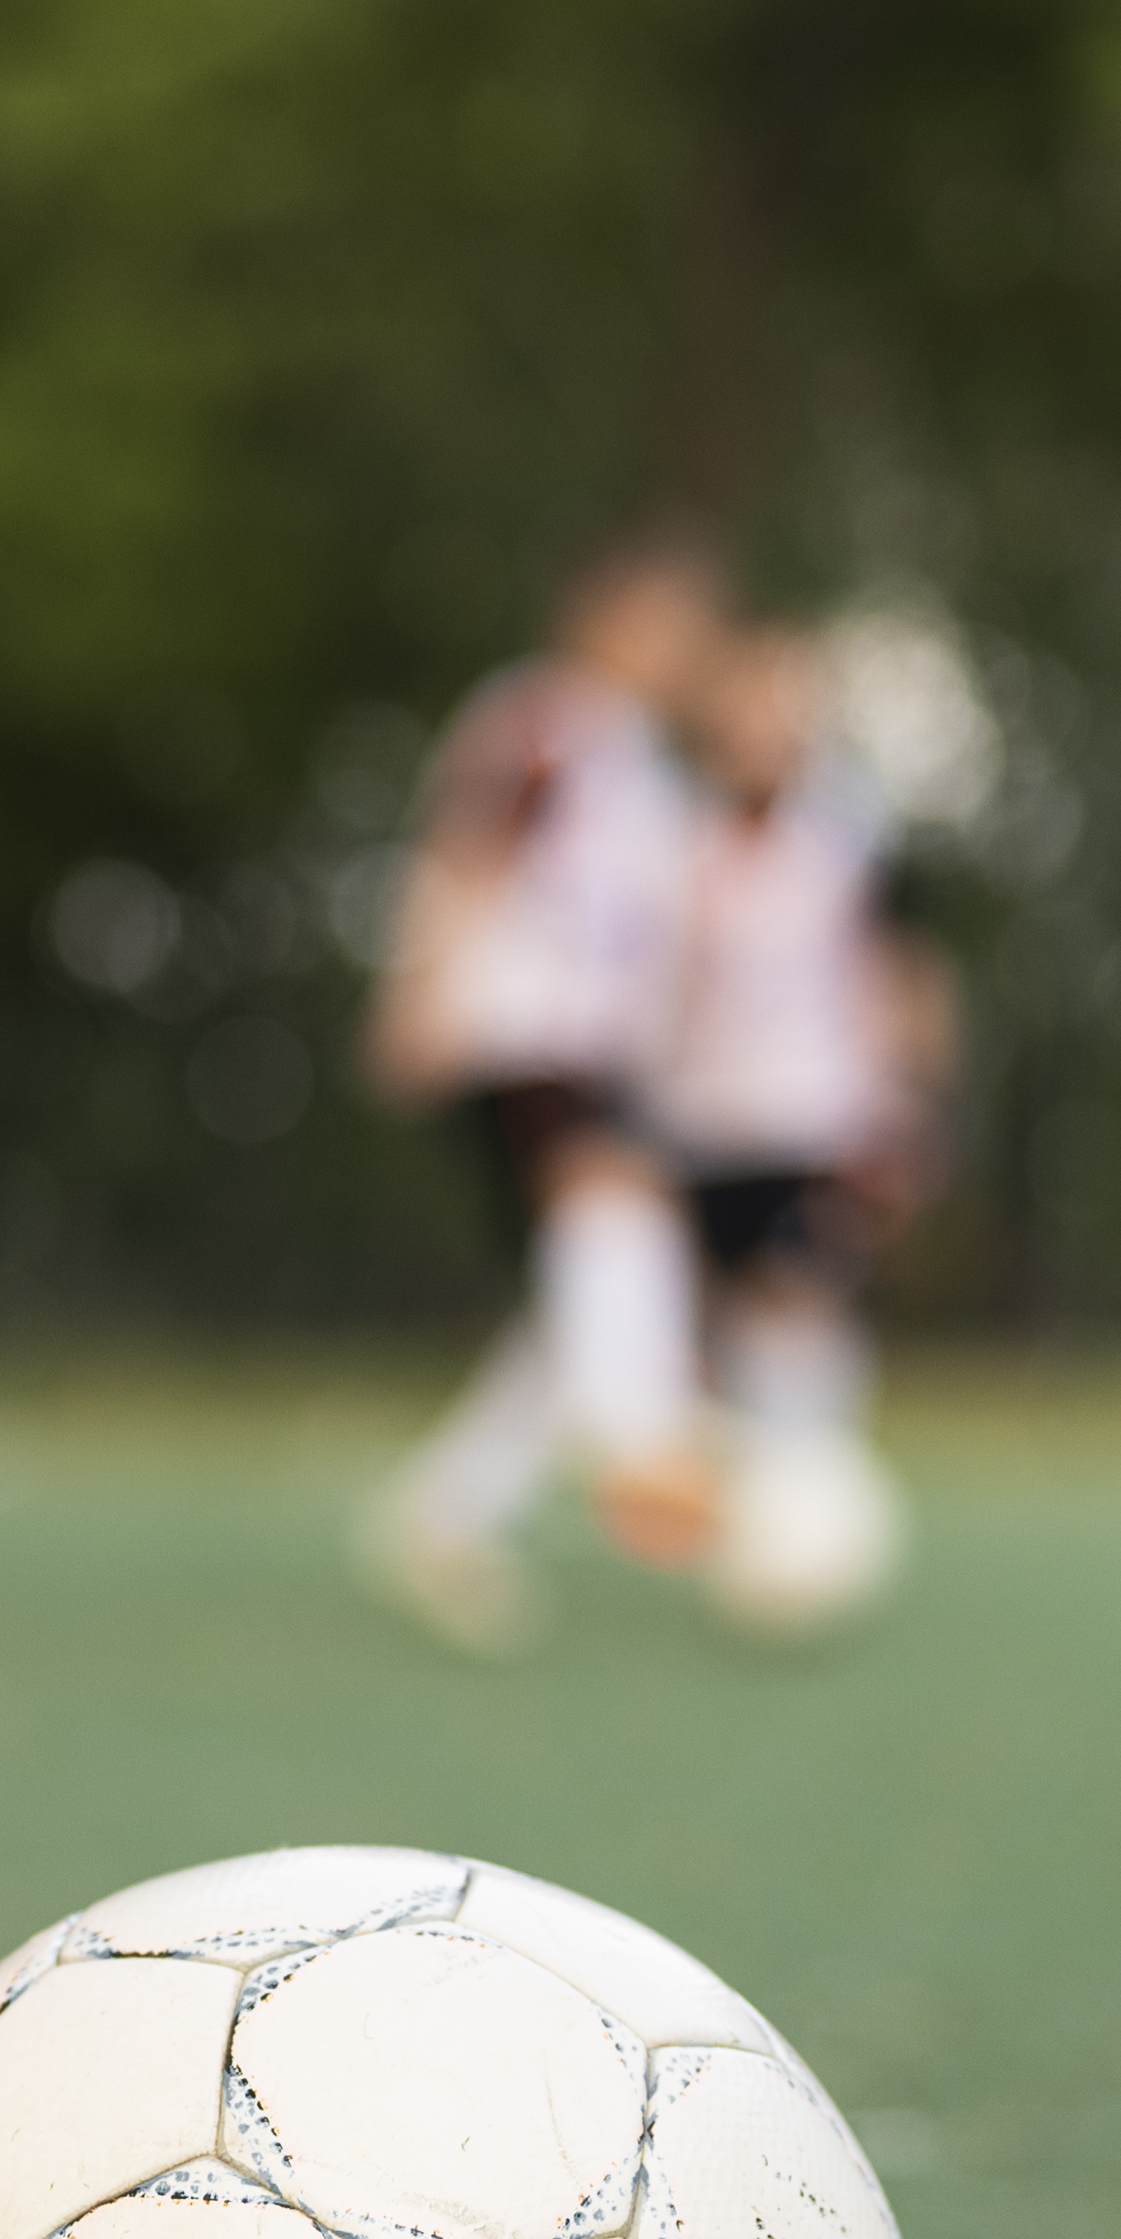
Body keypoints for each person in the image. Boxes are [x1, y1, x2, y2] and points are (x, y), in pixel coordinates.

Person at [352, 531, 728, 1653]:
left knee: (576, 1290)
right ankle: (647, 1443)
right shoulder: (541, 724)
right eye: (673, 620)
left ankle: (443, 1514)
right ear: (605, 617)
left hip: (600, 1053)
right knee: (612, 1204)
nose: (691, 646)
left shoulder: (650, 769)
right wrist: (415, 989)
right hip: (516, 1032)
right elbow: (462, 851)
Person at [649, 622, 951, 1635]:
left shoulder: (847, 842)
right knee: (710, 1342)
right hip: (697, 1127)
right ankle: (753, 1530)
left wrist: (910, 1110)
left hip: (817, 1123)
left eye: (784, 708)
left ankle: (816, 1519)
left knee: (801, 1313)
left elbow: (900, 977)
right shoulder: (674, 844)